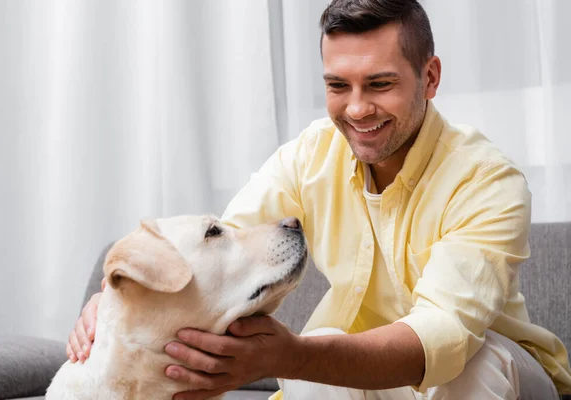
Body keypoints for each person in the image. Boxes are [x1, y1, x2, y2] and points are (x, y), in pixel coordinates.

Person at [67, 1, 571, 399]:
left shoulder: (487, 181)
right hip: (364, 377)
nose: (356, 108)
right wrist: (117, 300)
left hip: (500, 379)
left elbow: (440, 338)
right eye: (337, 85)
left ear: (430, 77)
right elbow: (221, 254)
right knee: (318, 360)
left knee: (470, 362)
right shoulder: (312, 153)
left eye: (380, 84)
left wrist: (294, 356)